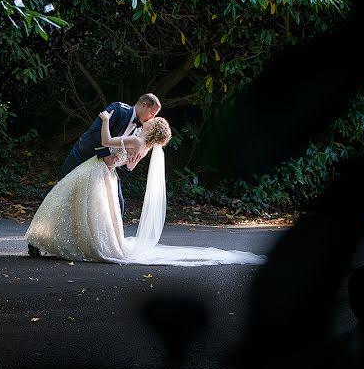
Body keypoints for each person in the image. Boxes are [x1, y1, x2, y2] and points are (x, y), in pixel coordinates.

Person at [25, 110, 267, 267]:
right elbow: (129, 166)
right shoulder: (145, 147)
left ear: (153, 129)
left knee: (66, 202)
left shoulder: (137, 141)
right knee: (91, 213)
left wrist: (106, 121)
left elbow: (107, 142)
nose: (148, 120)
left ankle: (56, 242)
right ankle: (73, 243)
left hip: (97, 171)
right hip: (106, 175)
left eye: (152, 122)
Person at [59, 93, 162, 214]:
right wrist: (106, 155)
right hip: (85, 156)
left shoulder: (142, 130)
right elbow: (95, 132)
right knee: (63, 190)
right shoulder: (118, 109)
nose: (152, 118)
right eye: (152, 113)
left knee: (118, 205)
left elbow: (127, 157)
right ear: (144, 105)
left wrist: (128, 167)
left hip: (107, 169)